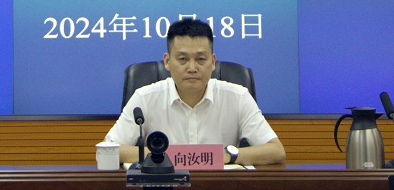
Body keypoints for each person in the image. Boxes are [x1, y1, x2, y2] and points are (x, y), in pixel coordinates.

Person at [104, 18, 286, 166]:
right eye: (182, 59)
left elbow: (276, 151)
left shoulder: (238, 97)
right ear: (167, 62)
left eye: (200, 59)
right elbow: (108, 150)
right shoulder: (144, 98)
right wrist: (163, 156)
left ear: (213, 62)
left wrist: (227, 155)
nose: (192, 68)